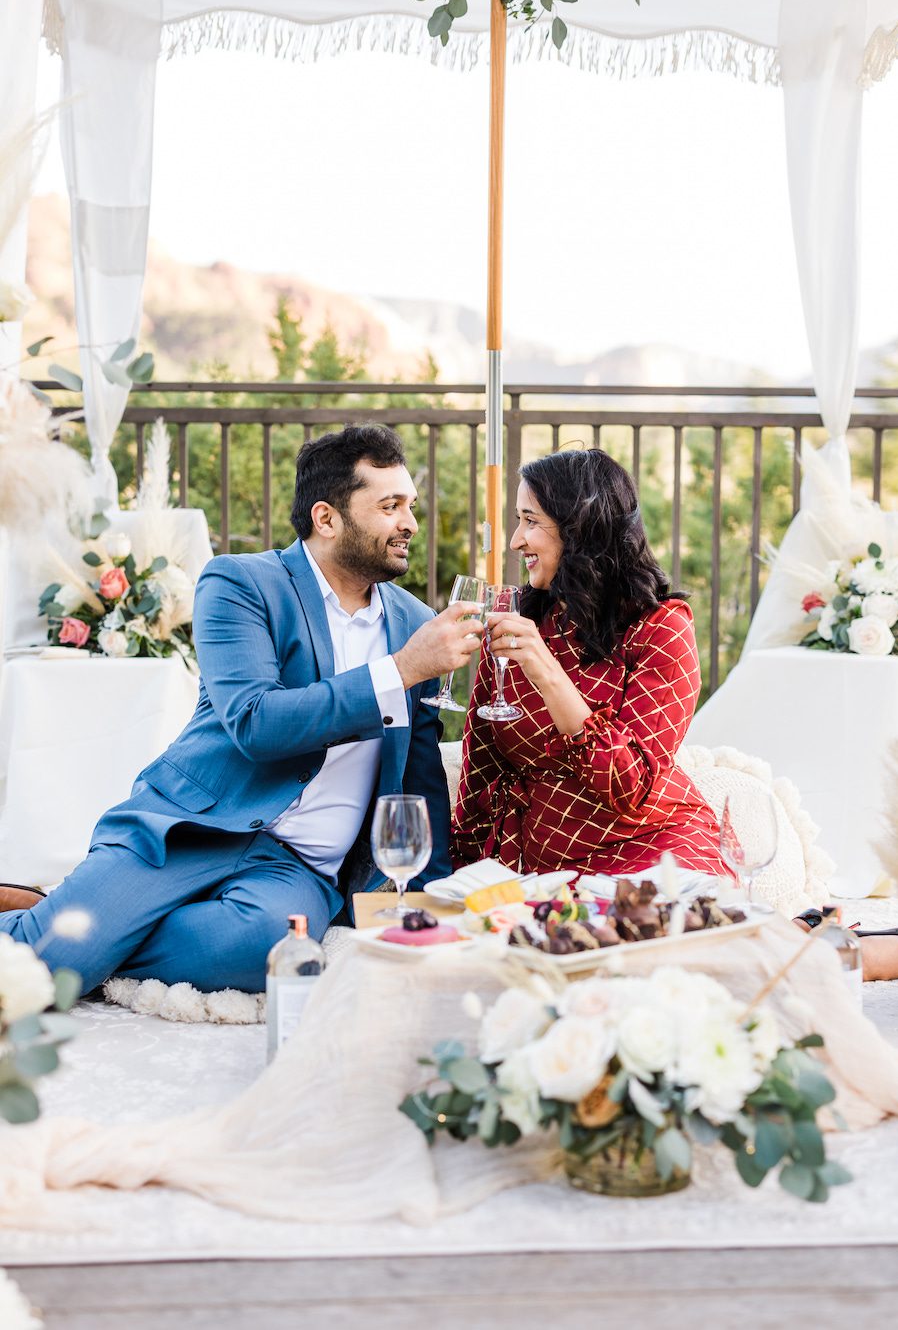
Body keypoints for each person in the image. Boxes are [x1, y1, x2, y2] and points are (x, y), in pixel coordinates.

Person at [0, 424, 483, 994]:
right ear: (326, 518)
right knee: (51, 967)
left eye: (410, 506)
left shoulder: (412, 622)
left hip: (298, 866)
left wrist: (429, 902)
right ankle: (67, 930)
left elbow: (419, 774)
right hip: (192, 827)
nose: (409, 523)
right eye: (389, 506)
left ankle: (92, 928)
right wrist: (400, 670)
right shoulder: (240, 583)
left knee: (270, 952)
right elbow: (256, 723)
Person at [452, 448, 732, 880]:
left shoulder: (662, 628)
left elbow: (630, 786)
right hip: (544, 862)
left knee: (659, 930)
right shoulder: (521, 623)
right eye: (517, 520)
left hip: (650, 846)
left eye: (530, 521)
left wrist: (546, 672)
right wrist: (453, 873)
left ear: (579, 530)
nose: (515, 540)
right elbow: (482, 768)